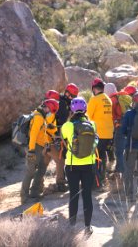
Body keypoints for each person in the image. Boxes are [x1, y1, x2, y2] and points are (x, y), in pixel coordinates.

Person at [61, 97, 97, 237]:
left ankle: (72, 226)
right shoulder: (92, 125)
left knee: (73, 195)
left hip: (72, 166)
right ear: (85, 109)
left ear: (72, 110)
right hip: (89, 165)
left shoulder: (67, 126)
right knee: (87, 195)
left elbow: (64, 140)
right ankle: (87, 227)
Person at [21, 98, 59, 204]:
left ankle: (34, 192)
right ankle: (24, 197)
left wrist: (47, 143)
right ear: (47, 108)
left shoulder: (41, 117)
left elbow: (42, 133)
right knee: (30, 171)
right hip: (35, 147)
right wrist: (31, 150)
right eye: (50, 111)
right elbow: (33, 134)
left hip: (41, 147)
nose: (50, 113)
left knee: (42, 168)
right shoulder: (38, 117)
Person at [87, 78, 114, 187]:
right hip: (108, 134)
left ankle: (96, 183)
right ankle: (102, 180)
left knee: (96, 158)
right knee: (102, 157)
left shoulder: (94, 100)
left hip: (99, 133)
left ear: (93, 89)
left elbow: (88, 116)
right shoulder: (108, 99)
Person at [42, 90, 68, 192]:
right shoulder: (50, 115)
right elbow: (52, 129)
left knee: (43, 164)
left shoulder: (42, 112)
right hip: (49, 142)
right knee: (60, 161)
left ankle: (37, 186)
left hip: (42, 143)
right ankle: (60, 183)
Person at [107, 84, 133, 174]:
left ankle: (120, 170)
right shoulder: (125, 95)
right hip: (130, 124)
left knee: (119, 150)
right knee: (127, 148)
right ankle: (127, 168)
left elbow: (111, 116)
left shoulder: (112, 100)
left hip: (120, 125)